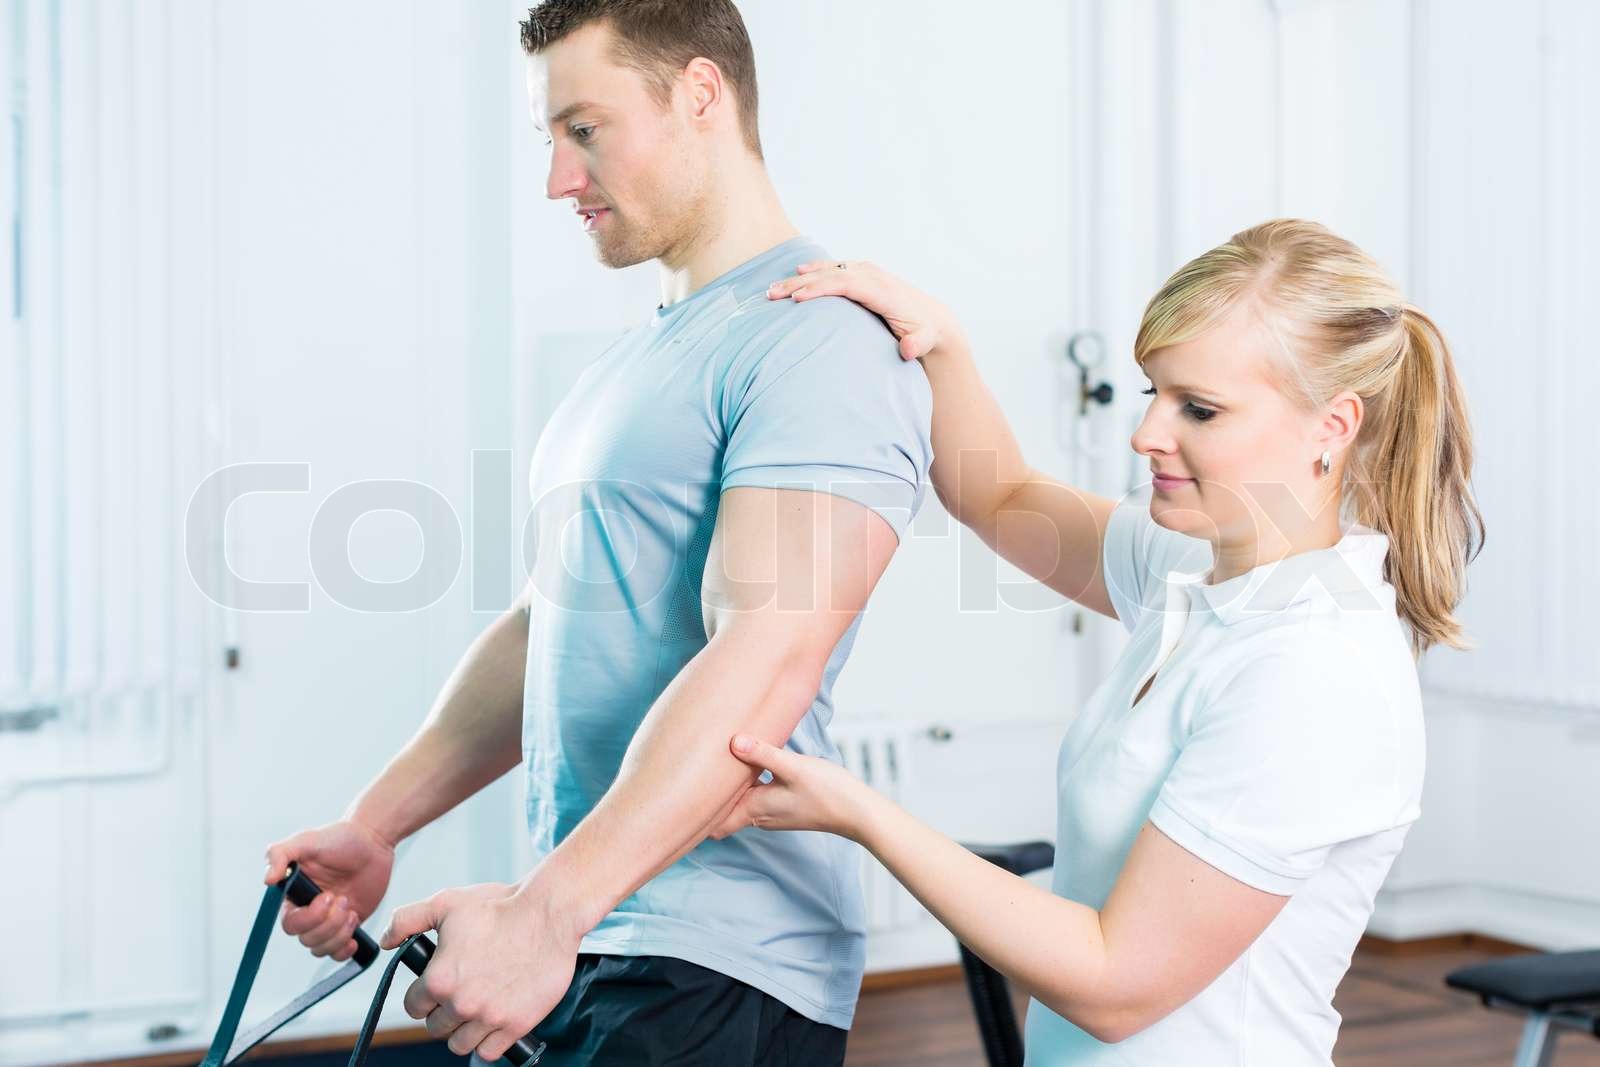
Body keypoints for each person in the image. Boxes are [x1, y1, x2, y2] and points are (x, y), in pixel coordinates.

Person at [261, 1, 932, 1063]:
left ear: (699, 94)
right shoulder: (633, 364)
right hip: (596, 928)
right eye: (549, 138)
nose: (557, 180)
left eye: (585, 129)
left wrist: (543, 913)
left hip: (719, 956)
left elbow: (767, 657)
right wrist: (378, 821)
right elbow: (552, 622)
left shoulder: (818, 342)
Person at [712, 219, 1485, 1065]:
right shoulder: (1196, 568)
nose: (1147, 431)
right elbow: (1002, 496)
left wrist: (862, 814)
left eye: (1198, 408)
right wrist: (943, 341)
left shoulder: (1314, 669)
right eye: (1154, 390)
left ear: (1332, 426)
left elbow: (1117, 983)